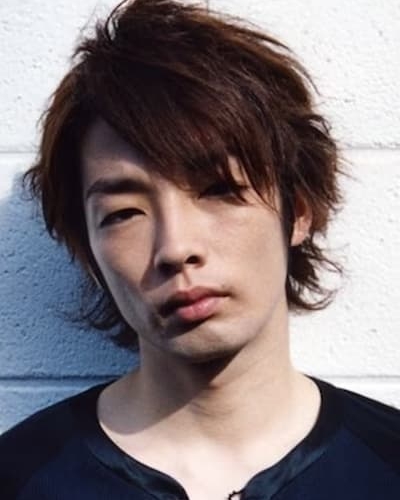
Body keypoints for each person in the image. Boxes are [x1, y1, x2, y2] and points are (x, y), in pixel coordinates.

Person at [1, 0, 399, 499]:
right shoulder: (21, 478)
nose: (176, 248)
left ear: (297, 211)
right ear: (89, 252)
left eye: (219, 190)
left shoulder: (386, 465)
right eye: (123, 214)